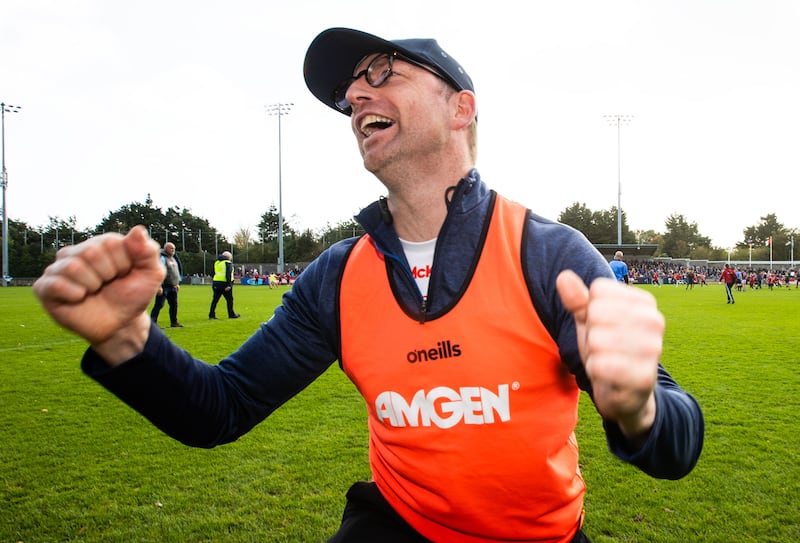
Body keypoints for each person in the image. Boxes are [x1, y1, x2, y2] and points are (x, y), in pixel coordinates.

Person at [32, 27, 704, 543]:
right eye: (350, 91)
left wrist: (638, 407)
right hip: (395, 525)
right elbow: (220, 406)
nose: (356, 96)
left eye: (382, 73)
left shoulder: (546, 253)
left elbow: (679, 443)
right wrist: (127, 338)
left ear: (460, 108)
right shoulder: (337, 277)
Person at [149, 241, 183, 328]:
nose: (173, 250)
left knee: (174, 305)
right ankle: (152, 323)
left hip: (173, 286)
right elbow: (158, 272)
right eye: (171, 248)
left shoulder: (173, 258)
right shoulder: (162, 258)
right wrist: (159, 286)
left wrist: (177, 283)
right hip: (164, 286)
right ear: (166, 248)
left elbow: (176, 272)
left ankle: (174, 322)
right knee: (159, 305)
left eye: (174, 248)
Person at [208, 251, 240, 320]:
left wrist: (215, 280)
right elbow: (228, 274)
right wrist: (229, 285)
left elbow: (212, 273)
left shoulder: (217, 263)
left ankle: (211, 315)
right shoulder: (228, 263)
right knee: (229, 300)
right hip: (225, 284)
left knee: (215, 300)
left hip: (216, 283)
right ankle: (231, 314)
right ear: (229, 257)